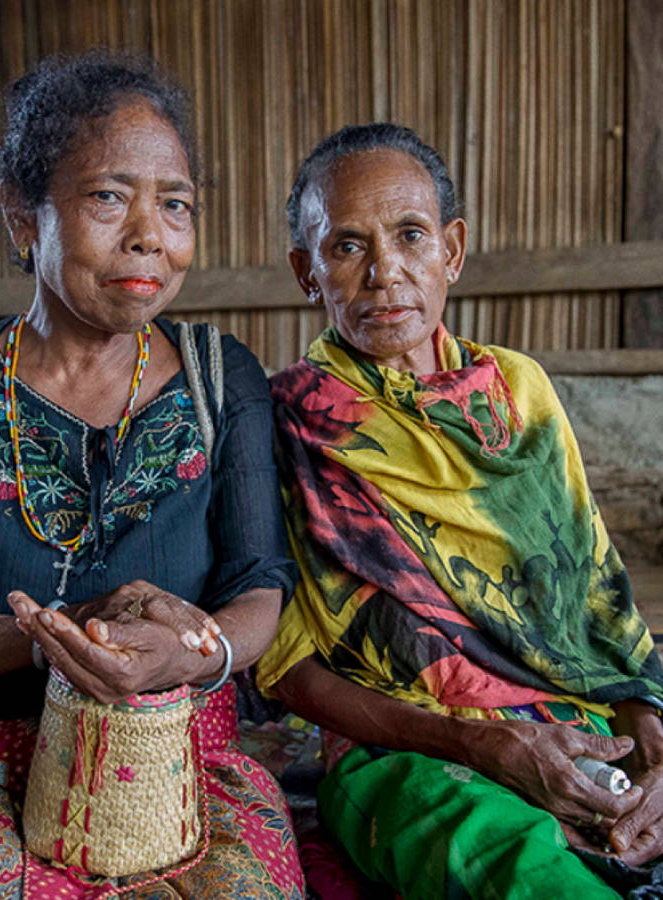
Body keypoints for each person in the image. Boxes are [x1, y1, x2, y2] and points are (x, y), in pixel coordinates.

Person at [0, 52, 304, 899]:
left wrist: (193, 655)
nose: (150, 233)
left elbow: (259, 585)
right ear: (24, 218)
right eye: (109, 197)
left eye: (176, 204)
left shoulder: (220, 378)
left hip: (179, 755)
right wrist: (45, 637)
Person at [256, 122, 663, 899]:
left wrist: (652, 737)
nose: (384, 272)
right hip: (406, 748)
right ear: (307, 272)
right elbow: (293, 672)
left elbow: (601, 600)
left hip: (580, 720)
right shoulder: (286, 421)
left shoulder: (522, 392)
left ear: (453, 250)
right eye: (346, 247)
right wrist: (482, 745)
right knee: (528, 876)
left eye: (410, 235)